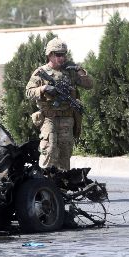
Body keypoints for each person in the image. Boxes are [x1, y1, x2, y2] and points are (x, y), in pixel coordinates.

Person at [25, 38, 93, 171]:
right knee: (49, 150)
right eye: (58, 55)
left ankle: (62, 186)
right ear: (50, 55)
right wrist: (43, 89)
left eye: (64, 54)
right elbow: (28, 92)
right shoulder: (41, 72)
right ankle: (45, 184)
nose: (62, 58)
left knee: (65, 153)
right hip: (49, 118)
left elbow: (89, 84)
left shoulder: (70, 71)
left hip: (67, 118)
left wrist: (79, 69)